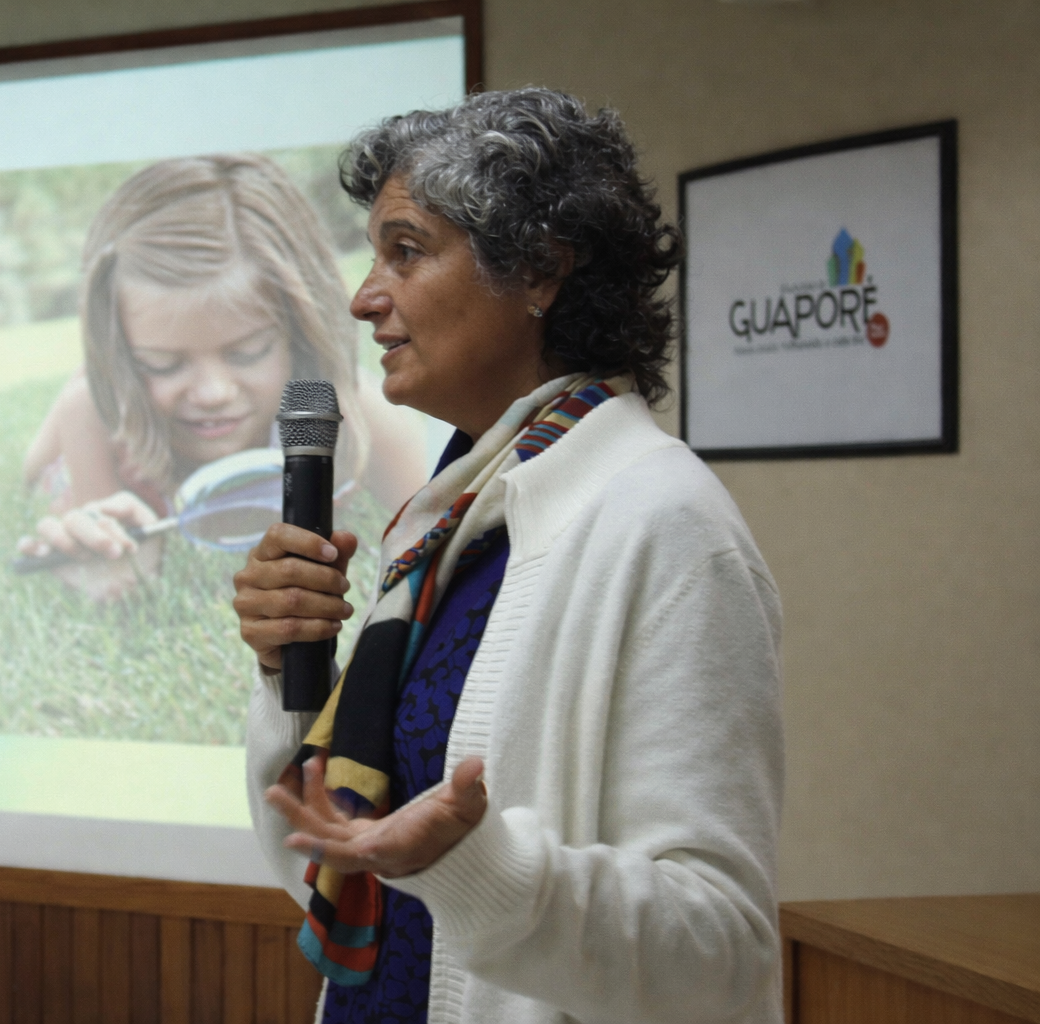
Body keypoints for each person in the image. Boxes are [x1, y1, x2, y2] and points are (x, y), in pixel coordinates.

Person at [233, 88, 785, 1023]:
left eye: (405, 251)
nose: (365, 297)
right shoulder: (443, 519)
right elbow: (339, 864)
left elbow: (720, 954)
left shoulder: (663, 520)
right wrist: (286, 667)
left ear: (539, 272)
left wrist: (477, 870)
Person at [17, 154, 426, 601]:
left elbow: (436, 542)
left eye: (248, 353)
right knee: (38, 464)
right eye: (163, 363)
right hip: (106, 419)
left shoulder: (353, 410)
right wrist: (123, 564)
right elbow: (121, 576)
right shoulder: (96, 414)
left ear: (302, 334)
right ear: (122, 357)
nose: (213, 393)